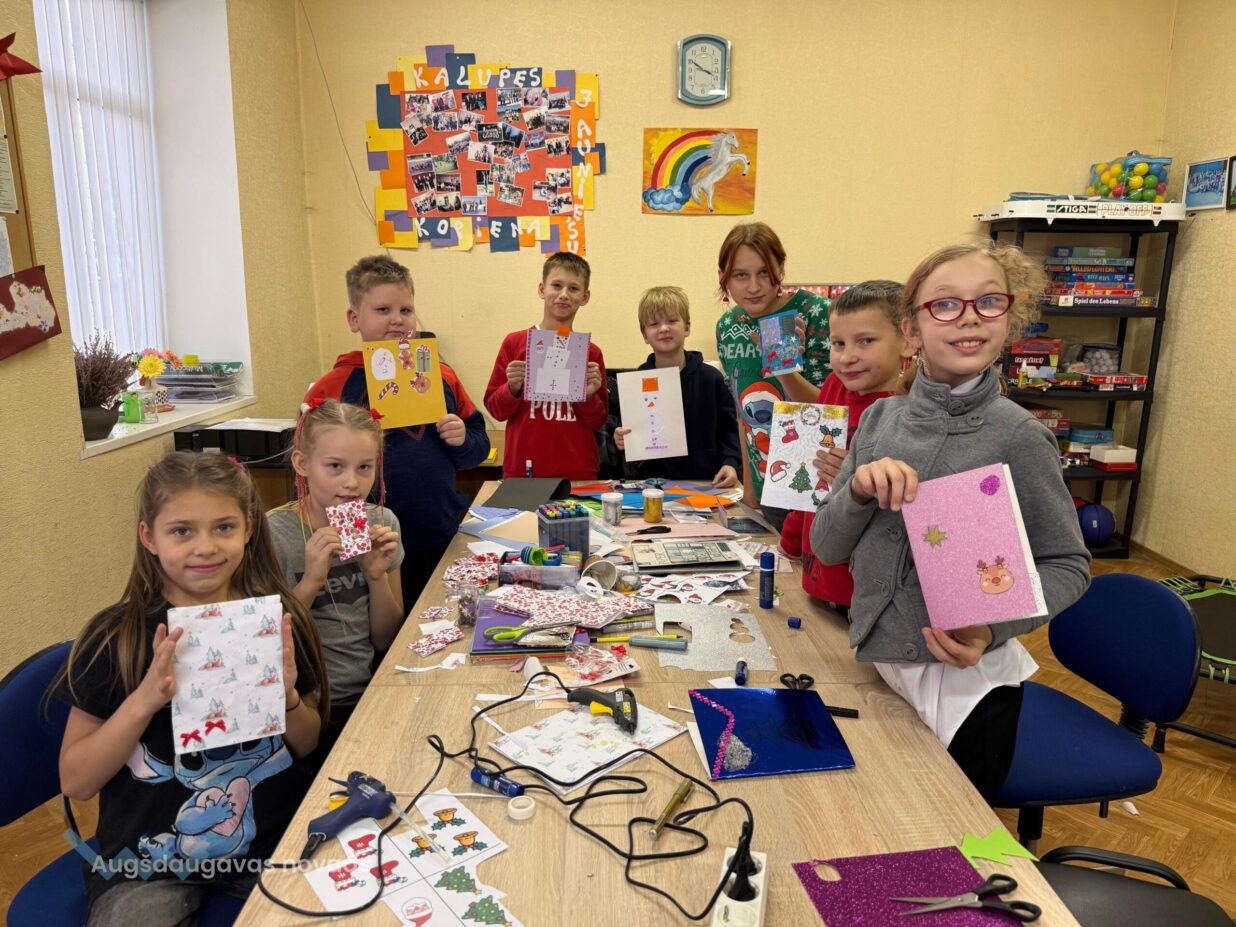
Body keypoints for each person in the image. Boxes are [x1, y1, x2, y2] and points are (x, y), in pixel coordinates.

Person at [811, 241, 1091, 803]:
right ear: (911, 330)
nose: (968, 317)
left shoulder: (1019, 435)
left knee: (945, 831)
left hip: (967, 690)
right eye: (945, 304)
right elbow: (827, 546)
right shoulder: (881, 418)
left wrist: (992, 629)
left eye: (988, 302)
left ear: (1008, 321)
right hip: (881, 661)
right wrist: (858, 490)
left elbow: (1068, 565)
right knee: (878, 811)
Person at [54, 452, 329, 922]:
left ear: (248, 528)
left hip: (275, 840)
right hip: (150, 862)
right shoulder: (116, 638)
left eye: (223, 527)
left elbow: (307, 743)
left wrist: (285, 699)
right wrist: (144, 700)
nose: (206, 547)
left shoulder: (276, 620)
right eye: (182, 531)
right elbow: (76, 782)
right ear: (149, 537)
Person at [304, 255, 489, 610]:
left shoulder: (440, 374)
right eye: (383, 309)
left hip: (438, 534)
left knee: (439, 623)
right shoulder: (331, 388)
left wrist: (463, 439)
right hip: (367, 548)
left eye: (406, 310)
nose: (397, 319)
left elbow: (477, 449)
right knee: (381, 632)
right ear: (354, 319)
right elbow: (307, 473)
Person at [267, 399, 403, 755]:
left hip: (372, 694)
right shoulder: (274, 534)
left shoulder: (382, 522)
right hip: (306, 709)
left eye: (364, 467)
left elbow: (386, 639)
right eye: (335, 466)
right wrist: (311, 581)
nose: (352, 483)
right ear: (302, 464)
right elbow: (264, 644)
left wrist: (375, 577)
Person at [780, 281, 915, 613]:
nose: (847, 357)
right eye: (838, 343)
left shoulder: (910, 413)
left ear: (907, 340)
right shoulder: (834, 386)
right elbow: (811, 473)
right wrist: (791, 540)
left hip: (871, 603)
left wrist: (855, 481)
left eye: (865, 341)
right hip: (816, 582)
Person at [715, 222, 832, 531]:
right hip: (765, 490)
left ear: (780, 269)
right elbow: (742, 414)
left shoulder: (816, 313)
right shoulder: (729, 326)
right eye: (741, 275)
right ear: (723, 276)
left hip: (815, 489)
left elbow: (832, 410)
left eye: (764, 272)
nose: (753, 286)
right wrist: (750, 494)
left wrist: (785, 370)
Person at [484, 251, 608, 479]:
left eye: (573, 288)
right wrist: (511, 389)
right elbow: (495, 410)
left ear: (585, 297)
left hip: (578, 471)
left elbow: (598, 421)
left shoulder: (591, 353)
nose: (564, 294)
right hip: (523, 470)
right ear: (542, 290)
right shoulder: (515, 343)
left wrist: (588, 396)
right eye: (557, 285)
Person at [612, 285, 740, 487]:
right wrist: (621, 438)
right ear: (645, 335)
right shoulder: (636, 383)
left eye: (672, 321)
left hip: (707, 482)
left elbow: (729, 430)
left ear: (687, 327)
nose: (664, 328)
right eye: (654, 324)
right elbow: (628, 431)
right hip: (652, 485)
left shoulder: (711, 379)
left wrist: (730, 463)